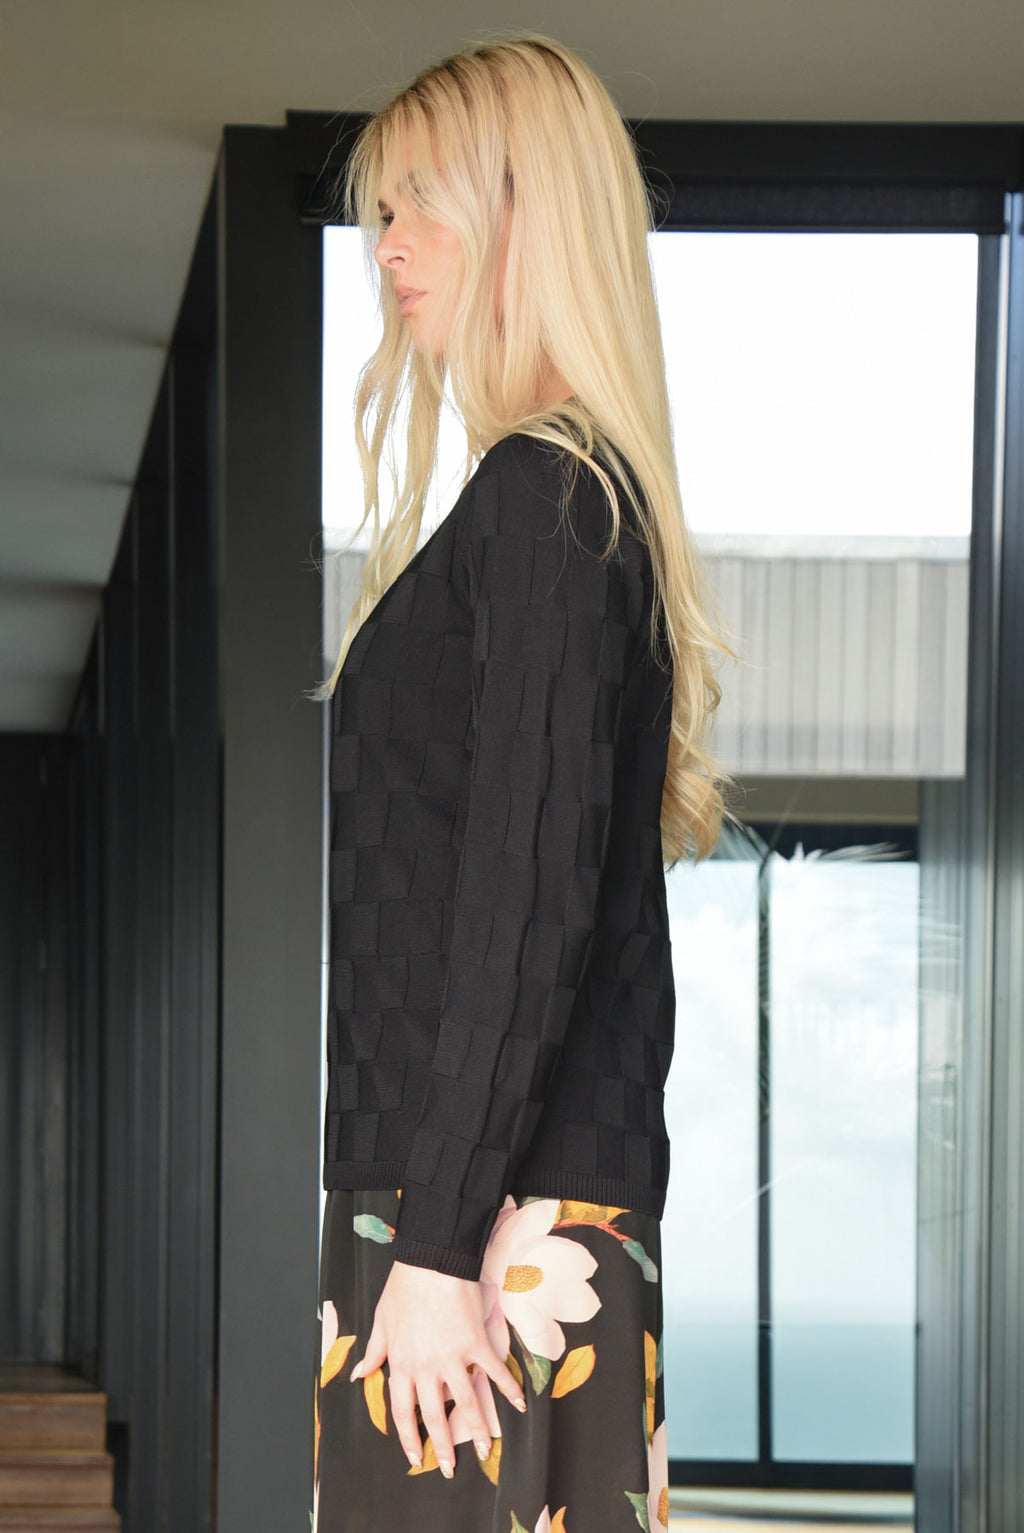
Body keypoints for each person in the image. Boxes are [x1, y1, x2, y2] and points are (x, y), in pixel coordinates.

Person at [308, 32, 733, 1533]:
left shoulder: (548, 498)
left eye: (420, 204)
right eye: (380, 212)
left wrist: (433, 1248)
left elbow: (525, 894)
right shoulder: (555, 500)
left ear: (521, 214)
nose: (387, 248)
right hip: (480, 1207)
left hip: (484, 1231)